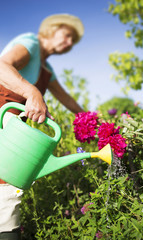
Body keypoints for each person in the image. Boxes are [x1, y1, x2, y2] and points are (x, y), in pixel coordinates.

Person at [0, 14, 84, 240]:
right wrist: (32, 91)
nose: (68, 43)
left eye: (72, 41)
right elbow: (1, 65)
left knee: (8, 184)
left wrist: (90, 117)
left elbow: (66, 99)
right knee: (7, 182)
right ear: (52, 28)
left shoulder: (47, 69)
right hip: (2, 115)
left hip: (14, 125)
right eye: (66, 35)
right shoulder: (31, 43)